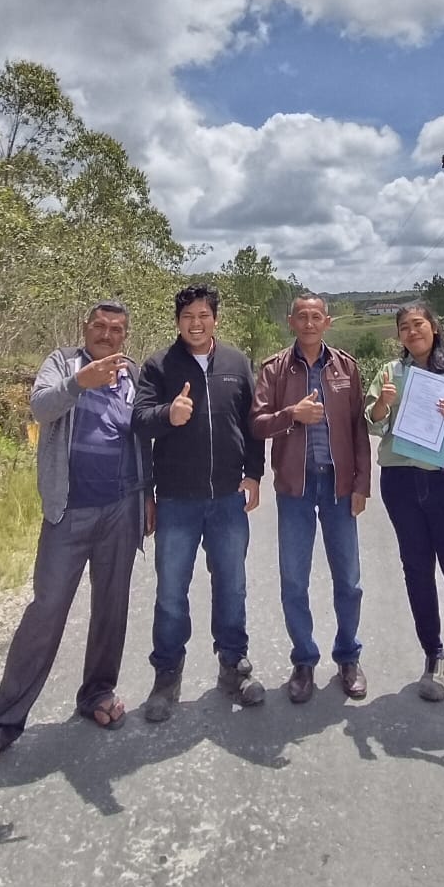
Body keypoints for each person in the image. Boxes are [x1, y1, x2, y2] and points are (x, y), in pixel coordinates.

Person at [0, 301, 153, 777]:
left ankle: (97, 693)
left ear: (126, 336)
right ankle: (1, 723)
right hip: (69, 513)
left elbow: (142, 436)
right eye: (100, 326)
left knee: (112, 605)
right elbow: (41, 408)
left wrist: (149, 497)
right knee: (45, 612)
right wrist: (78, 383)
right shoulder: (62, 363)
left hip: (122, 507)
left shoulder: (132, 375)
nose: (107, 335)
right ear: (84, 328)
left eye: (117, 329)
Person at [132, 284, 265, 720]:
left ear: (215, 319)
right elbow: (139, 420)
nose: (196, 322)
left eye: (203, 314)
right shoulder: (158, 366)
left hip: (227, 498)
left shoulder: (236, 363)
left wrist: (254, 474)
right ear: (178, 321)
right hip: (177, 501)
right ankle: (166, 675)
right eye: (188, 315)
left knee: (231, 585)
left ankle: (233, 665)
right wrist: (167, 414)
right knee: (171, 591)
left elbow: (252, 422)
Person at [364, 302, 444, 710]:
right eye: (404, 327)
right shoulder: (390, 374)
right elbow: (371, 422)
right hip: (401, 482)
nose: (411, 332)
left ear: (434, 327)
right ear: (398, 335)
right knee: (417, 572)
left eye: (418, 324)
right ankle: (434, 658)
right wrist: (383, 404)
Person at [251, 292, 370, 702]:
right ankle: (303, 661)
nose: (308, 323)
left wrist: (361, 485)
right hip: (295, 489)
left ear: (327, 322)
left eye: (315, 316)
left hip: (338, 488)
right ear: (291, 322)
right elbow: (258, 424)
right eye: (301, 316)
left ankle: (348, 657)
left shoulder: (347, 368)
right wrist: (292, 416)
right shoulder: (274, 370)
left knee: (349, 582)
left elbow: (358, 431)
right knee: (294, 581)